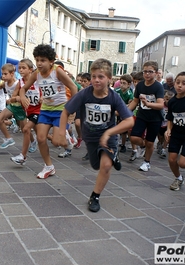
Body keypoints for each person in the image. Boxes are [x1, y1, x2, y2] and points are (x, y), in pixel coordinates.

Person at [54, 58, 134, 212]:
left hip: (108, 137)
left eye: (101, 77)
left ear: (110, 79)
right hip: (89, 137)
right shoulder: (84, 94)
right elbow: (66, 111)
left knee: (105, 166)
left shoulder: (114, 97)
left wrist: (109, 133)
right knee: (95, 165)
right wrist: (61, 132)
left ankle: (95, 196)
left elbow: (129, 121)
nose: (96, 80)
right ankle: (113, 157)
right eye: (94, 76)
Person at [19, 44, 77, 179]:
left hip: (60, 110)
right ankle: (49, 167)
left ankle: (68, 140)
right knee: (40, 138)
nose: (39, 63)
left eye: (43, 60)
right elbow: (23, 89)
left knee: (57, 142)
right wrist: (22, 97)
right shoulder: (36, 74)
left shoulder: (57, 71)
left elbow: (73, 87)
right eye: (37, 60)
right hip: (45, 109)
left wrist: (71, 108)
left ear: (51, 61)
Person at [127, 61, 164, 172]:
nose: (147, 74)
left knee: (150, 142)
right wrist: (125, 111)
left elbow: (160, 104)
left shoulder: (158, 87)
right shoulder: (140, 86)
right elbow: (135, 101)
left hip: (155, 118)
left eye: (150, 72)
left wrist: (148, 104)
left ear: (156, 73)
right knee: (134, 137)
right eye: (145, 71)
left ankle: (146, 162)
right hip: (142, 115)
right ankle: (143, 146)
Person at [11, 58, 41, 165]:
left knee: (26, 129)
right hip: (29, 111)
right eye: (19, 68)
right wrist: (18, 98)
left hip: (39, 110)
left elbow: (47, 93)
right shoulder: (20, 82)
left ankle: (22, 156)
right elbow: (13, 97)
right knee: (41, 135)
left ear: (31, 70)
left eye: (24, 68)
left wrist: (43, 99)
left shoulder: (38, 80)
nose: (21, 70)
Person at [0, 63, 23, 149]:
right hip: (12, 106)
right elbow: (0, 85)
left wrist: (17, 98)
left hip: (20, 108)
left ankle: (33, 141)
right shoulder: (6, 83)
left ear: (12, 74)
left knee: (25, 129)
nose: (3, 76)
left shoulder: (17, 83)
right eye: (2, 74)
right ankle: (9, 138)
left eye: (5, 74)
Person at [115, 74, 134, 153]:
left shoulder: (130, 94)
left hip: (124, 113)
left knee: (123, 131)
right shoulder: (116, 91)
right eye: (121, 83)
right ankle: (115, 143)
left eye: (124, 83)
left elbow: (130, 104)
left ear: (129, 84)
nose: (122, 85)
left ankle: (123, 144)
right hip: (116, 112)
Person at [158, 90, 175, 158]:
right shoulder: (161, 104)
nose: (168, 101)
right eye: (167, 99)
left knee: (167, 136)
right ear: (164, 98)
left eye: (170, 99)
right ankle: (160, 143)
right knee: (160, 136)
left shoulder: (173, 106)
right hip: (160, 122)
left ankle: (164, 149)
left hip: (168, 123)